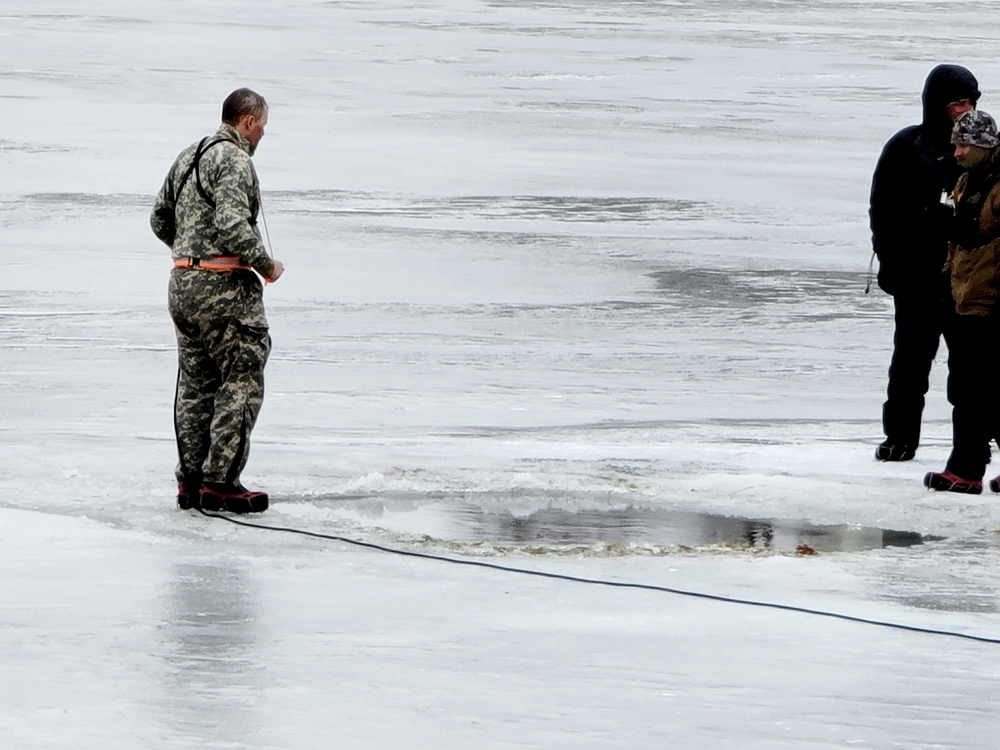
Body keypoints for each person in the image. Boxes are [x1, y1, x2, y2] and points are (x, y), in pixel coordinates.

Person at [150, 88, 285, 513]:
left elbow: (159, 218)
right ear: (247, 122)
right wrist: (266, 264)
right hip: (223, 288)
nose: (264, 132)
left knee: (195, 384)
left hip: (182, 283)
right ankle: (221, 481)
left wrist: (190, 254)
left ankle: (190, 483)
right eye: (263, 124)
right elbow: (231, 225)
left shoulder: (189, 155)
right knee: (241, 376)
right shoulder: (234, 158)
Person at [869, 64, 980, 462]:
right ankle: (899, 437)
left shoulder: (982, 149)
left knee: (969, 372)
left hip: (965, 281)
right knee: (910, 364)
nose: (964, 110)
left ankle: (970, 450)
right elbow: (881, 209)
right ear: (937, 106)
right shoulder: (905, 147)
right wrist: (888, 261)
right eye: (956, 104)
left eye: (970, 102)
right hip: (916, 276)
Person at [924, 110, 1000, 494]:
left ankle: (966, 468)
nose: (956, 152)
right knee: (970, 386)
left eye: (963, 144)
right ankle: (966, 465)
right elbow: (963, 239)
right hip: (966, 296)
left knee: (976, 388)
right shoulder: (967, 180)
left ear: (983, 146)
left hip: (990, 301)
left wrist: (951, 224)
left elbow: (978, 234)